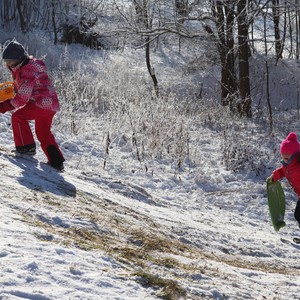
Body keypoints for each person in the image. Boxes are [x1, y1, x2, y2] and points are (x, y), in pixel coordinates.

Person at [0, 40, 65, 171]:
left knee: (18, 117)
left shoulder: (26, 72)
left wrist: (2, 107)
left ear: (17, 59)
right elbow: (24, 90)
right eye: (5, 60)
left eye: (9, 61)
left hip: (41, 103)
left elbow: (21, 100)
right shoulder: (27, 67)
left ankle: (26, 148)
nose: (7, 64)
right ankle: (56, 161)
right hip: (50, 104)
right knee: (43, 132)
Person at [268, 132, 300, 227]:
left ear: (295, 154)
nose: (285, 155)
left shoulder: (298, 165)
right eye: (283, 153)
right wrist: (275, 176)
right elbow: (283, 171)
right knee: (298, 216)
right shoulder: (287, 166)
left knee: (298, 215)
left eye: (288, 153)